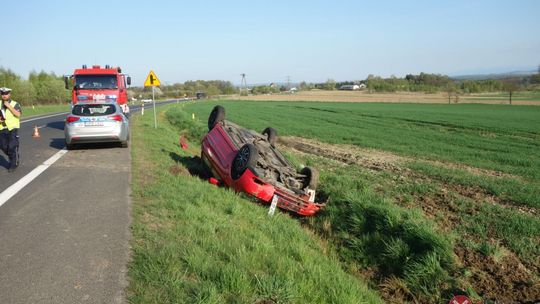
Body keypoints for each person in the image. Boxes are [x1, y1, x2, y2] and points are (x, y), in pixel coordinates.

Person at [0, 87, 21, 172]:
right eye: (3, 94)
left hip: (12, 128)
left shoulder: (15, 104)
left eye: (6, 94)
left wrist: (9, 107)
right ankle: (14, 155)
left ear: (9, 94)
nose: (4, 95)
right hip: (1, 128)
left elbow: (18, 114)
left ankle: (13, 164)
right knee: (4, 147)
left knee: (12, 146)